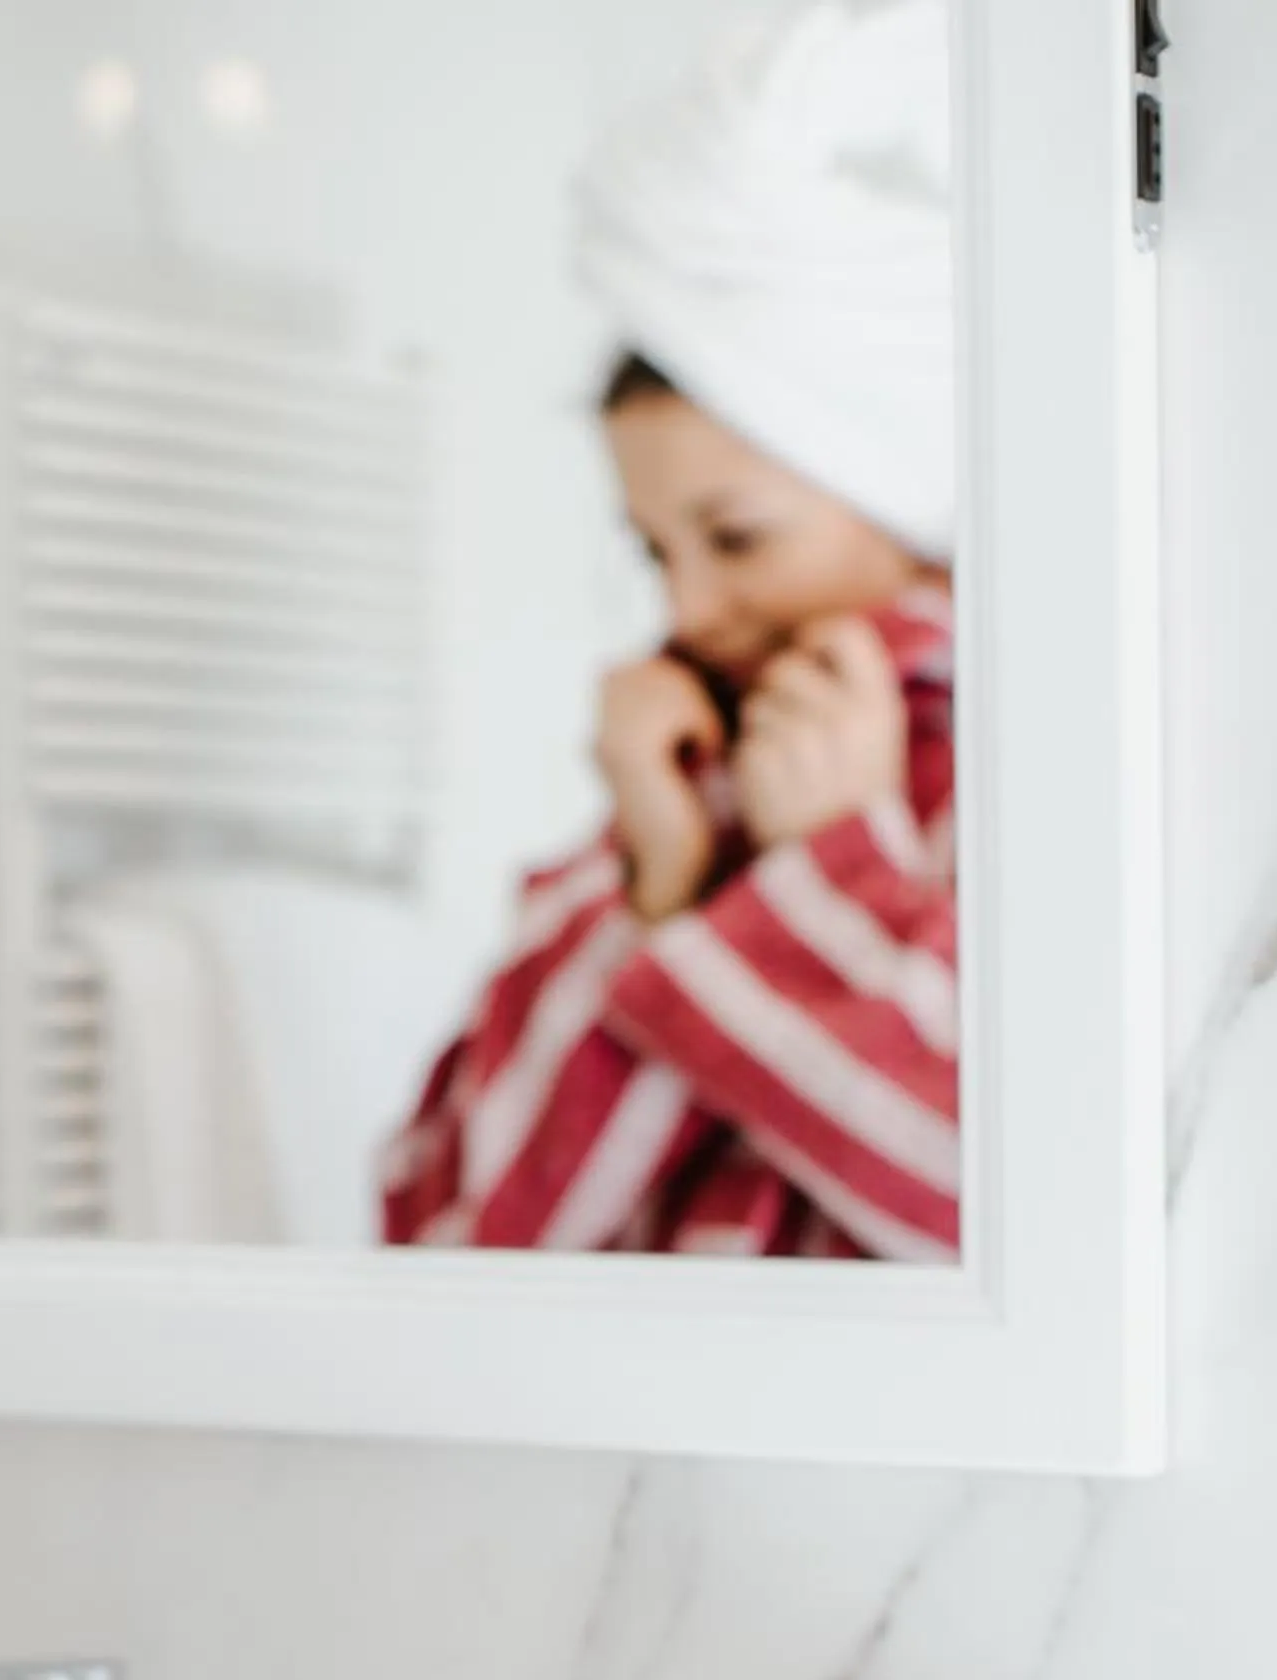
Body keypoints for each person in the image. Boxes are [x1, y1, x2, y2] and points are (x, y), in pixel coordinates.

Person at [382, 0, 961, 1260]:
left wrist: (832, 867)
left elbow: (1016, 1219)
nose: (687, 609)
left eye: (738, 537)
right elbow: (458, 1249)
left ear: (903, 497)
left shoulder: (1032, 777)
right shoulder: (692, 778)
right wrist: (661, 872)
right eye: (654, 552)